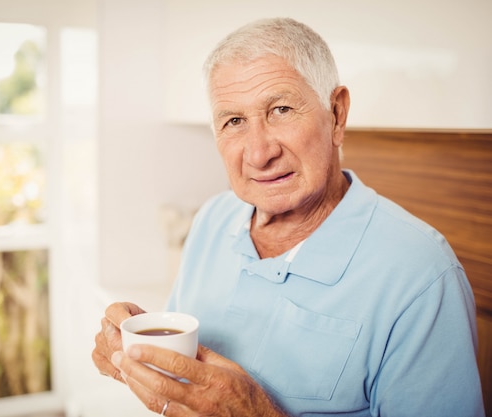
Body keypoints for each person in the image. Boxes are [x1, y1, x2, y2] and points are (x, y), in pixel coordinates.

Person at [92, 17, 485, 417]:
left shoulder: (422, 274)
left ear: (337, 114)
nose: (259, 153)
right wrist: (133, 352)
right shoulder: (213, 218)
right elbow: (185, 380)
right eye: (234, 121)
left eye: (280, 109)